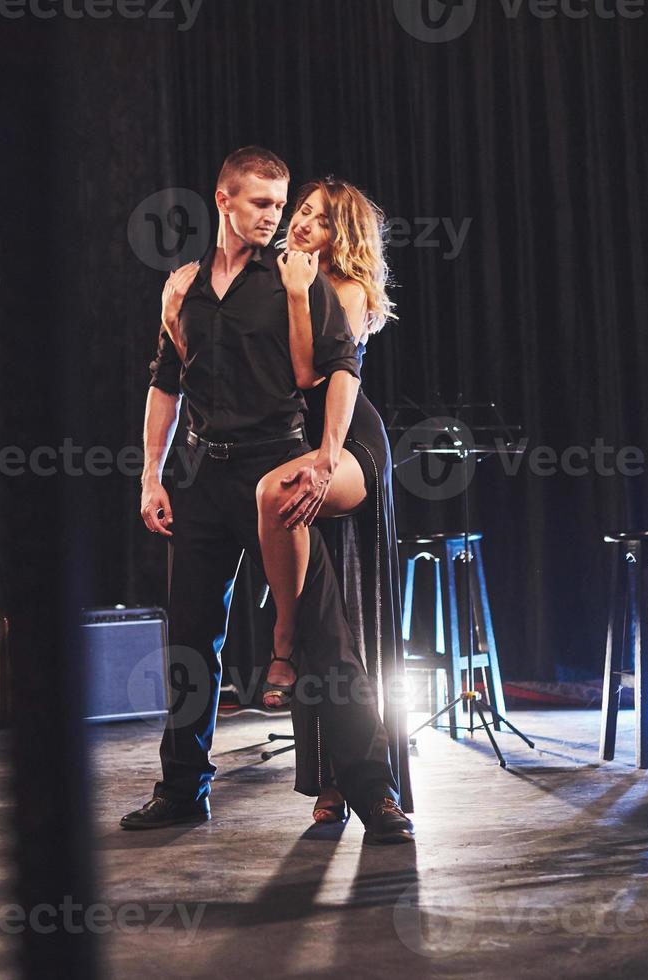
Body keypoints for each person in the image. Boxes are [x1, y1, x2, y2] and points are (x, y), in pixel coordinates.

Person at [120, 147, 413, 844]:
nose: (274, 218)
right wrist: (150, 475)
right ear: (222, 200)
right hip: (201, 477)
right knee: (190, 640)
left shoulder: (295, 280)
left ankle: (374, 795)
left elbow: (339, 371)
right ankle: (182, 789)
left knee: (326, 636)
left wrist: (323, 460)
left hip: (275, 468)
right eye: (261, 204)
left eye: (280, 206)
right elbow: (165, 386)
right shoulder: (181, 288)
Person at [256, 176, 411, 824]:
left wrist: (295, 293)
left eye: (316, 219)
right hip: (302, 439)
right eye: (300, 212)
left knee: (281, 499)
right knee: (329, 609)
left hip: (348, 443)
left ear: (339, 234)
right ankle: (332, 784)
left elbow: (305, 374)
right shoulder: (280, 280)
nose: (299, 224)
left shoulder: (343, 290)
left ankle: (281, 641)